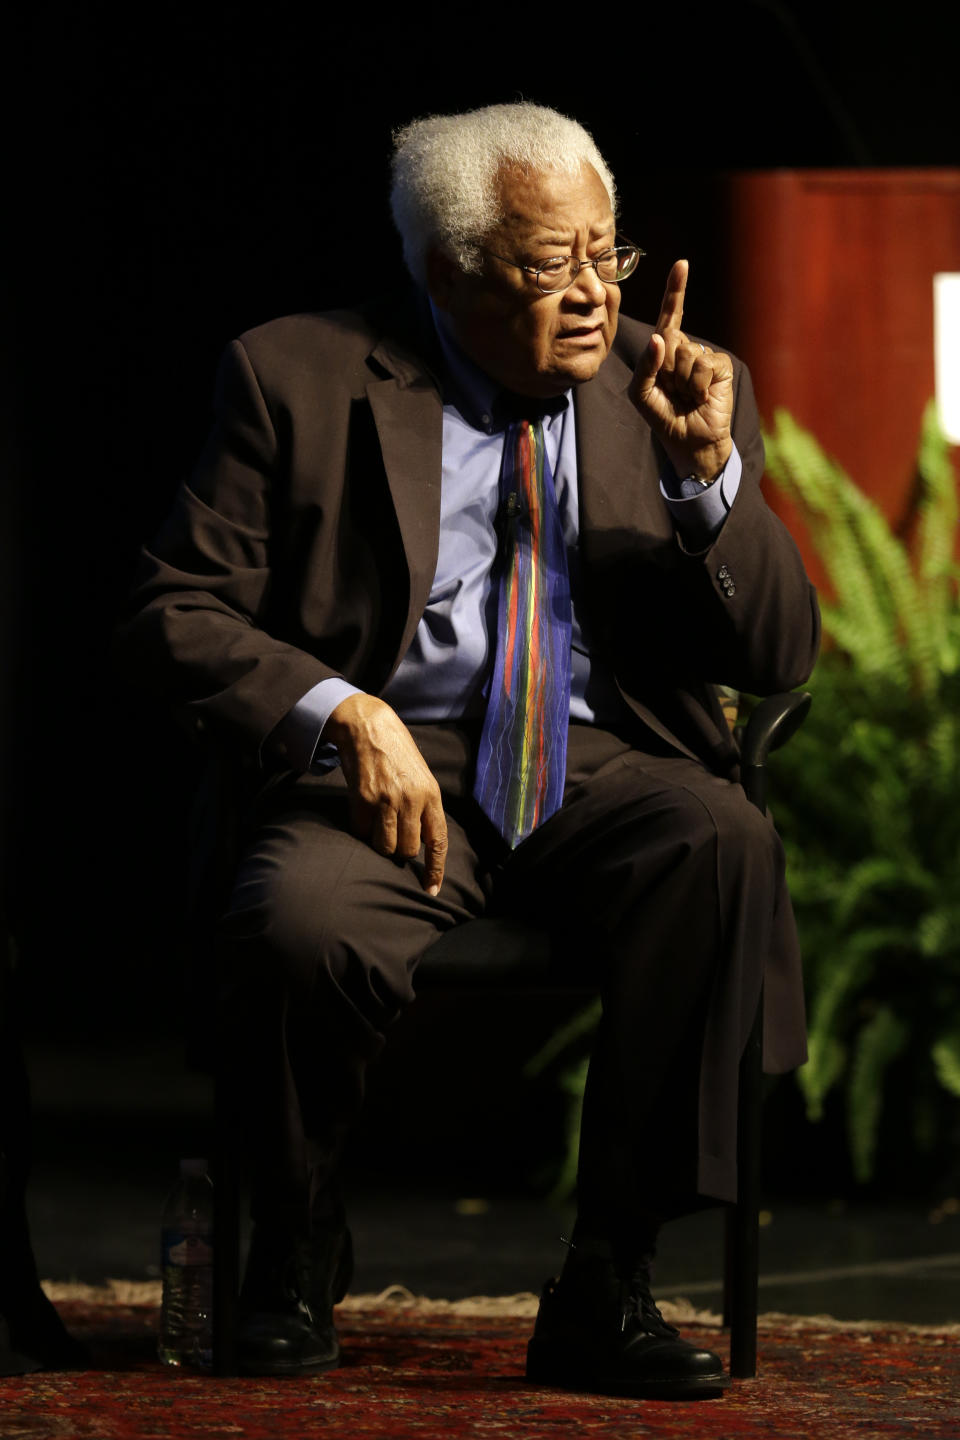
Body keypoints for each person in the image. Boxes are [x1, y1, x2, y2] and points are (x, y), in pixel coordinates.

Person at [117, 102, 819, 1398]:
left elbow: (779, 658)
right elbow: (177, 606)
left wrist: (707, 477)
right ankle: (294, 1238)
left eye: (604, 256)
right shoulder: (295, 377)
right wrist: (340, 710)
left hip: (602, 762)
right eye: (548, 265)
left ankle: (610, 1276)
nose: (594, 295)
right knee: (295, 923)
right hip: (394, 763)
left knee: (723, 842)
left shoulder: (665, 391)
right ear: (448, 272)